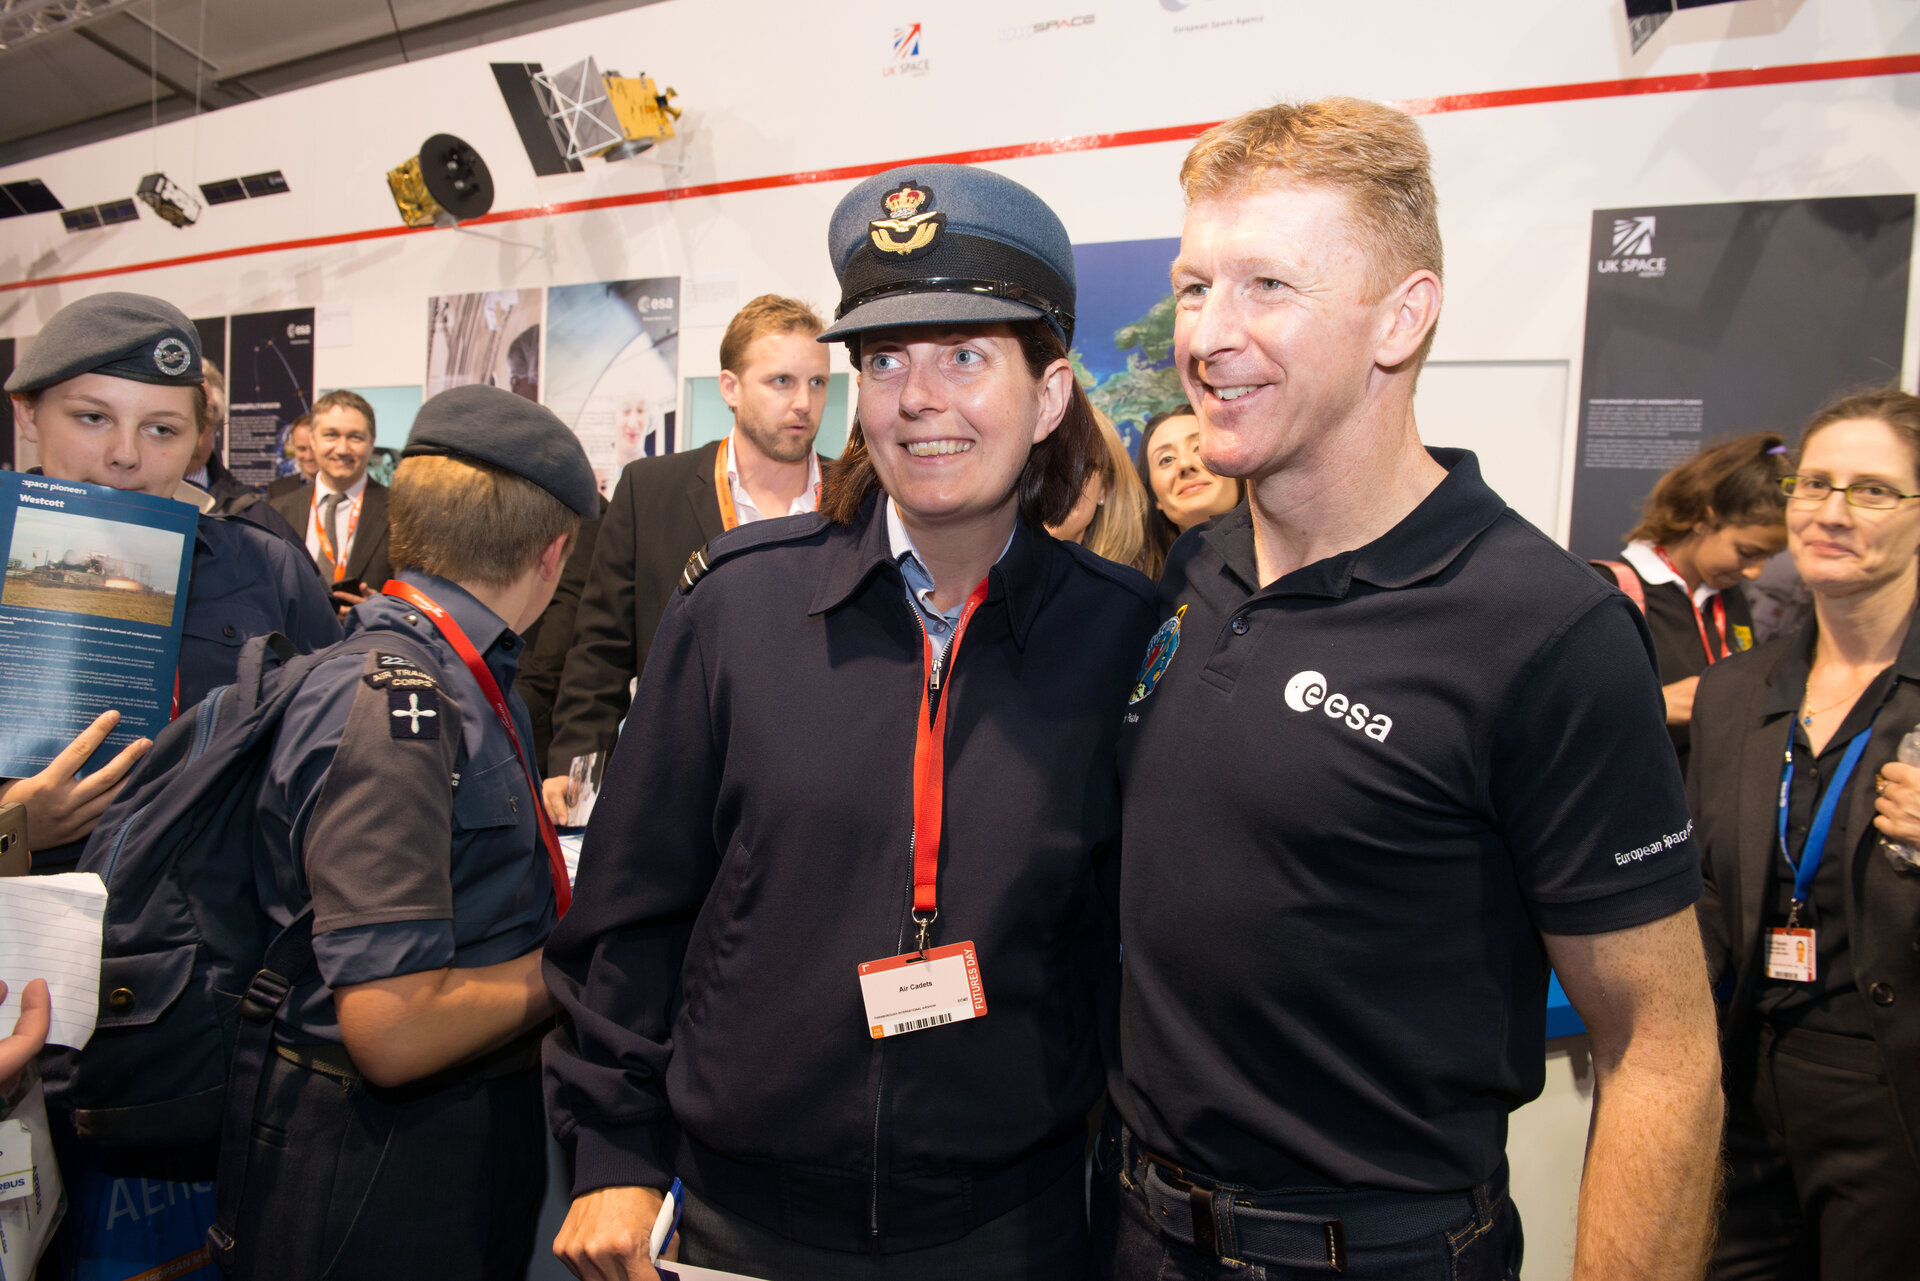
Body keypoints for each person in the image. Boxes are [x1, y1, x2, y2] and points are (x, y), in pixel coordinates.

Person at [1102, 97, 1722, 1281]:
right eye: (1195, 286)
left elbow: (1662, 1046)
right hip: (1132, 1231)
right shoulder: (1200, 565)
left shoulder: (1544, 632)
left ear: (1402, 318)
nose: (1207, 335)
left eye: (1266, 287)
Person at [544, 163, 1157, 1281]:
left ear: (1052, 394)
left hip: (1006, 1225)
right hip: (743, 1218)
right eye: (885, 363)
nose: (918, 399)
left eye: (965, 358)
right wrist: (613, 1149)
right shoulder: (736, 608)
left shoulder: (1122, 638)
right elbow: (631, 909)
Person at [231, 383, 599, 1280]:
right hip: (380, 1167)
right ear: (554, 555)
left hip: (443, 1140)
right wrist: (580, 958)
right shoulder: (398, 702)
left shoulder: (455, 672)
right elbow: (392, 1028)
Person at [1691, 387, 1920, 1279]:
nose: (1829, 510)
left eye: (1871, 490)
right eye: (1813, 484)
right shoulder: (1736, 693)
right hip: (1743, 1089)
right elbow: (1706, 897)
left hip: (1892, 1097)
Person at [3, 292, 339, 858]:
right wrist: (13, 828)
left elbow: (338, 767)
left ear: (197, 440)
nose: (126, 454)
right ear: (27, 413)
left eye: (162, 429)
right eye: (93, 417)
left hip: (218, 935)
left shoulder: (267, 568)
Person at [543, 294, 832, 818]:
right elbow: (601, 647)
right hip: (678, 784)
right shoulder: (650, 491)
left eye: (818, 382)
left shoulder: (860, 498)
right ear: (731, 387)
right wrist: (576, 765)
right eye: (781, 381)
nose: (803, 404)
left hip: (814, 783)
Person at [1592, 432, 1790, 776]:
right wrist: (1657, 706)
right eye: (1746, 552)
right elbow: (1551, 714)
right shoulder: (1607, 590)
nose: (1755, 572)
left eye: (1766, 558)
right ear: (1704, 518)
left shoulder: (1730, 599)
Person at [269, 388, 393, 615]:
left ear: (372, 443)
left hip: (367, 644)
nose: (342, 448)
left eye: (355, 437)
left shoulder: (398, 511)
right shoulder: (278, 511)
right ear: (313, 440)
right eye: (331, 435)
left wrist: (381, 610)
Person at [1134, 405, 1241, 577]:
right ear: (1155, 498)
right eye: (1166, 459)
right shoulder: (1149, 598)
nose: (1184, 464)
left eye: (1199, 447)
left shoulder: (1294, 557)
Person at [1047, 408, 1151, 571]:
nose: (1053, 479)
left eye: (1077, 464)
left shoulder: (1127, 593)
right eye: (1035, 463)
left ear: (1105, 487)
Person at [267, 413, 316, 499]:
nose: (309, 456)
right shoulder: (277, 490)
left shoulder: (341, 488)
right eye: (302, 449)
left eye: (314, 449)